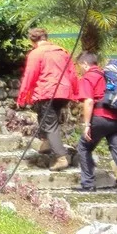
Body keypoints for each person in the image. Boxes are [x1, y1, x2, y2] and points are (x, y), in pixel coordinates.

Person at [75, 52, 117, 206]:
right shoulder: (110, 75)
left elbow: (88, 101)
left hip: (101, 118)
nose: (80, 70)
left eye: (80, 66)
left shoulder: (90, 77)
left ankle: (88, 185)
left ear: (85, 64)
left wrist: (86, 124)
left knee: (84, 146)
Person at [17, 27, 80, 171]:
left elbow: (30, 75)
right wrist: (75, 92)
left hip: (47, 91)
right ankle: (45, 143)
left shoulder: (36, 53)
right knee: (46, 116)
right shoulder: (62, 51)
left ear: (32, 40)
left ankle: (61, 157)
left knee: (50, 123)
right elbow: (72, 73)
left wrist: (22, 96)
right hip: (64, 92)